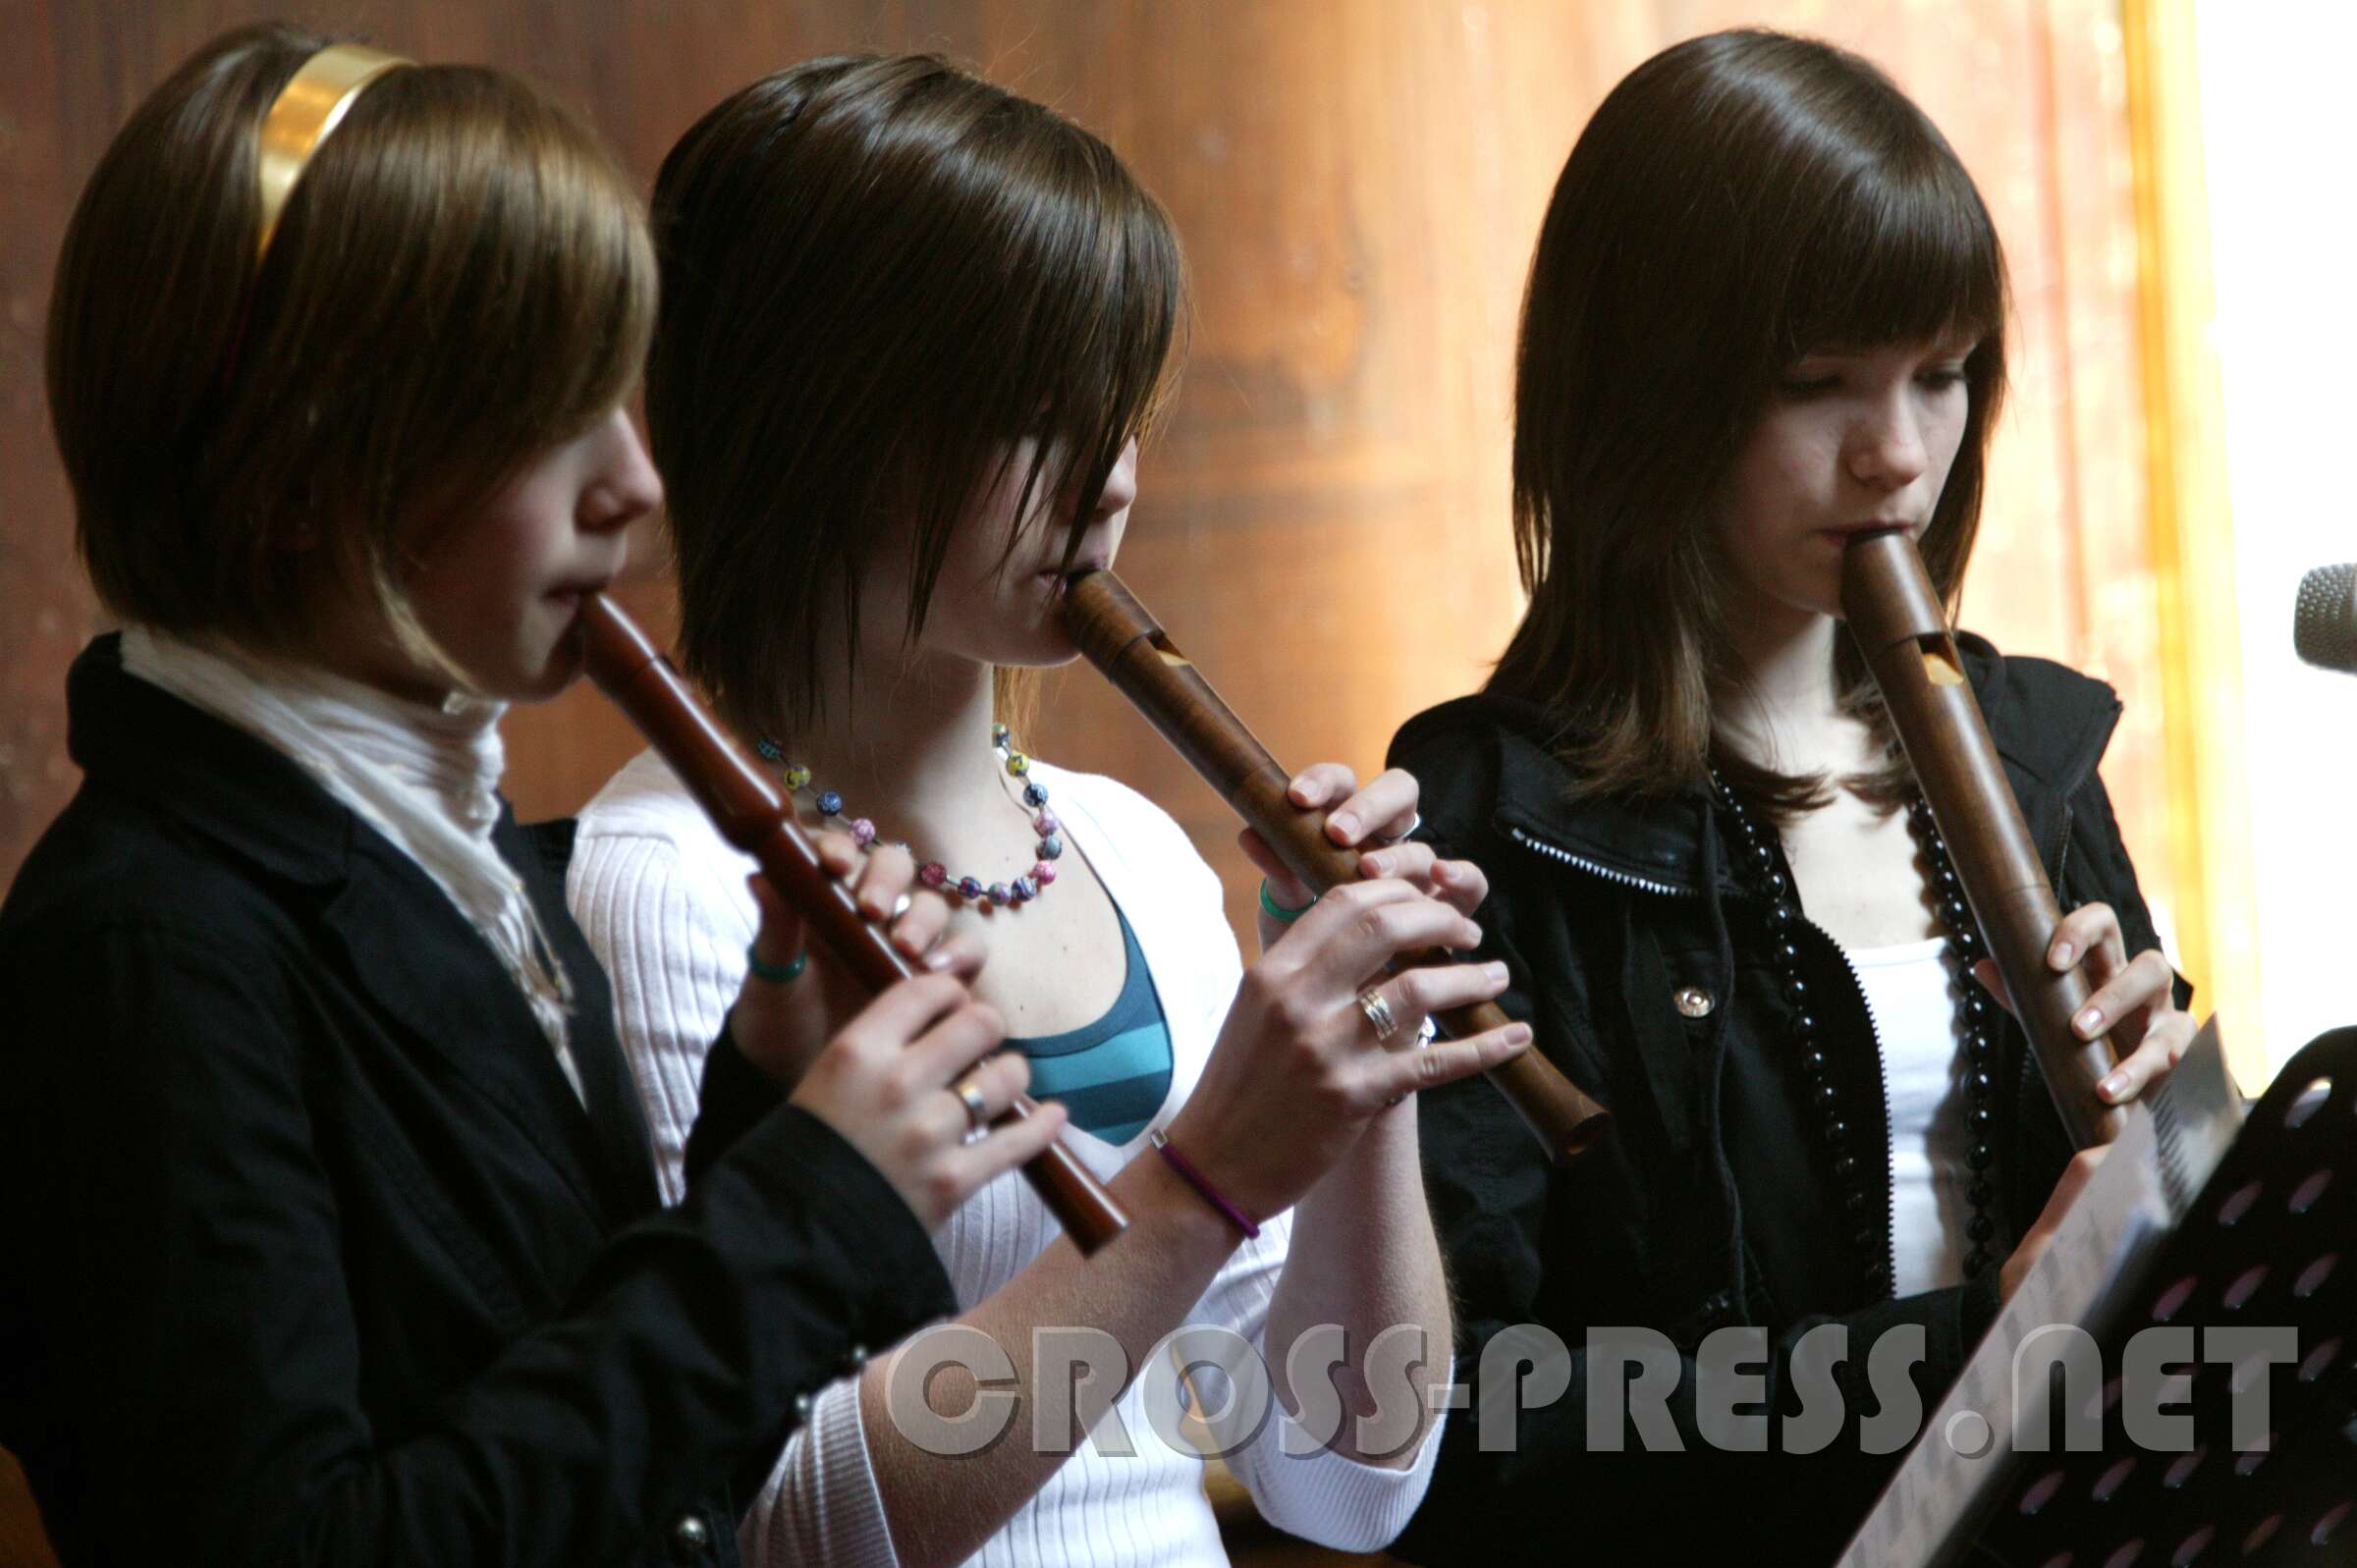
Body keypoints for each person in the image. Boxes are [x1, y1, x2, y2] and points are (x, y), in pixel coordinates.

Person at [0, 26, 1065, 1566]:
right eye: (544, 415)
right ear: (297, 476)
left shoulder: (450, 849)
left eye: (616, 400)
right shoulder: (146, 945)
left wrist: (775, 1089)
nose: (633, 483)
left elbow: (567, 1388)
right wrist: (805, 1208)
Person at [568, 53, 1529, 1568]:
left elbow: (1344, 1483)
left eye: (1117, 410)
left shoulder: (1135, 850)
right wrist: (1205, 1178)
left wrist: (1363, 1061)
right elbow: (792, 1520)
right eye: (1032, 414)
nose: (1110, 481)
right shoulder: (668, 880)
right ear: (810, 419)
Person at [1383, 28, 2197, 1566]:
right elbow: (1464, 1432)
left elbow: (2167, 1307)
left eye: (1942, 376)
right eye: (1817, 386)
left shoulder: (2026, 753)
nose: (1898, 455)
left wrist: (2179, 1160)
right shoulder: (1486, 816)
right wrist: (1976, 1342)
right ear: (1650, 398)